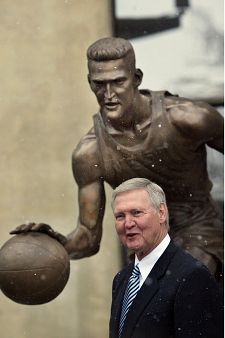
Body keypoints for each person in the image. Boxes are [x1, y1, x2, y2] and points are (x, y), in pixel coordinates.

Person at [11, 37, 224, 281]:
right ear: (89, 82)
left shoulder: (188, 119)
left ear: (136, 78)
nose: (109, 94)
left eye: (118, 82)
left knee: (174, 287)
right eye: (100, 85)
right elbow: (88, 239)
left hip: (201, 233)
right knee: (135, 310)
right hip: (145, 249)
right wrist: (55, 244)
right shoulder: (90, 153)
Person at [109, 177, 223, 338]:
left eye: (136, 213)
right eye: (120, 216)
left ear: (161, 213)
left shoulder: (193, 277)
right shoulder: (121, 279)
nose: (128, 223)